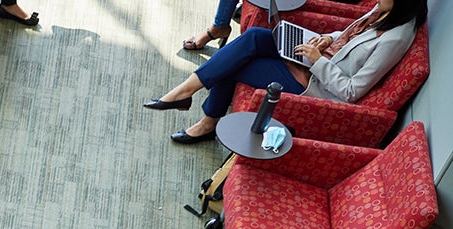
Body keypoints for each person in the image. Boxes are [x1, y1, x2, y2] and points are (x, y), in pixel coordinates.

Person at [147, 0, 421, 143]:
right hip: (314, 57)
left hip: (315, 81)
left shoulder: (395, 39)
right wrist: (327, 38)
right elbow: (350, 34)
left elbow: (352, 91)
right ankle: (186, 92)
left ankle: (203, 117)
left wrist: (317, 60)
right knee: (254, 36)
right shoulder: (385, 9)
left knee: (234, 63)